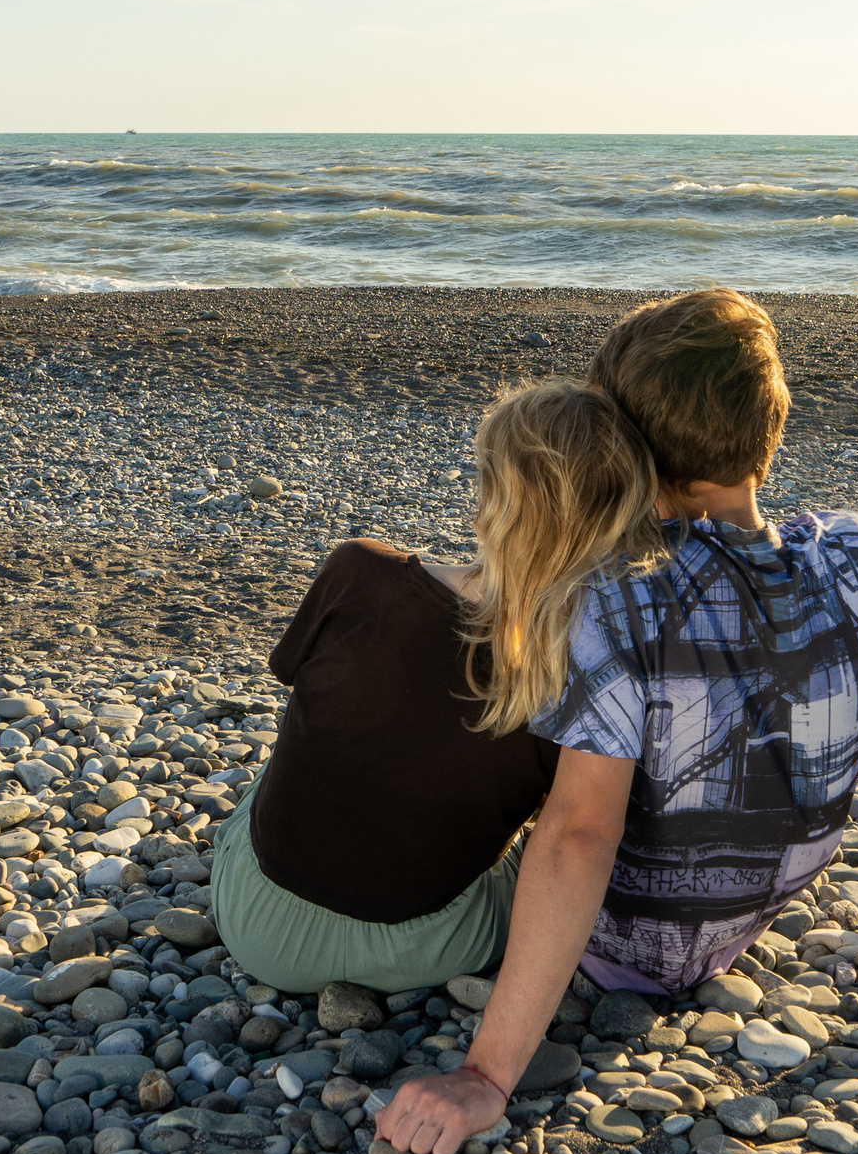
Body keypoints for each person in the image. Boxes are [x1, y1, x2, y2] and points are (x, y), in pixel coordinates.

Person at [376, 289, 858, 1154]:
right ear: (770, 426)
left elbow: (578, 834)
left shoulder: (618, 593)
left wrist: (486, 1075)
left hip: (613, 938)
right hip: (733, 926)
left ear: (626, 442)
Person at [209, 380, 665, 994]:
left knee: (287, 757)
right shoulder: (588, 666)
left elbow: (296, 676)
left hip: (257, 927)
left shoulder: (360, 570)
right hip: (426, 950)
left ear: (488, 501)